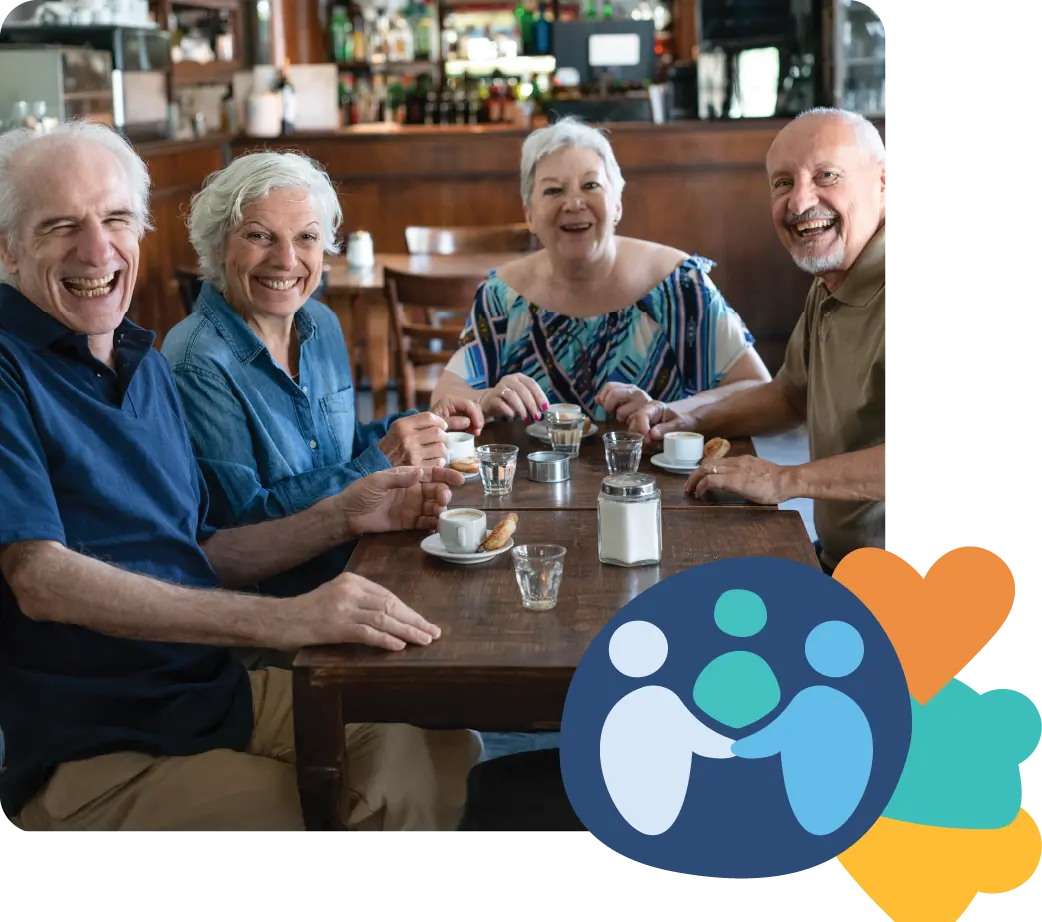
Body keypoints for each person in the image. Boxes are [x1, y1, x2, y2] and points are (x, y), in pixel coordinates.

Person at [0, 121, 482, 832]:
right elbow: (38, 578)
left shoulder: (145, 362)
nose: (97, 249)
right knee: (315, 813)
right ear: (9, 247)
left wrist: (348, 512)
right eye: (61, 225)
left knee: (441, 753)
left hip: (207, 694)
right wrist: (284, 619)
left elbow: (207, 548)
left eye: (115, 219)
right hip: (98, 745)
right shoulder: (12, 369)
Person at [161, 150, 484, 613]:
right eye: (259, 235)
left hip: (358, 565)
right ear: (217, 245)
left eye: (306, 237)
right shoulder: (195, 360)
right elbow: (242, 527)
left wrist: (421, 425)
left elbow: (340, 450)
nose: (286, 259)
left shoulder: (321, 323)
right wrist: (377, 463)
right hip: (281, 611)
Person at [622, 108, 887, 575]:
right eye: (783, 183)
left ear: (882, 182)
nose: (800, 201)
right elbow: (789, 395)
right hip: (840, 562)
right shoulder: (834, 275)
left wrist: (787, 480)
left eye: (827, 176)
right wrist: (681, 414)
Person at [430, 116, 771, 424]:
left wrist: (672, 411)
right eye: (553, 190)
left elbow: (757, 389)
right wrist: (484, 399)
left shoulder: (679, 285)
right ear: (530, 214)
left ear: (617, 203)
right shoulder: (501, 297)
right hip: (528, 490)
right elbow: (443, 399)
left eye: (591, 185)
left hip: (659, 488)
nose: (574, 203)